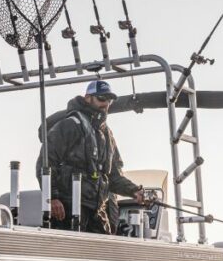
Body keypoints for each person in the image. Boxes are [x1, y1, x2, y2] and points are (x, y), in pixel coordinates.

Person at [38, 79, 152, 233]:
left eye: (109, 100)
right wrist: (51, 198)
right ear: (88, 98)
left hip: (98, 210)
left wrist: (134, 191)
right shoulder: (69, 125)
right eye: (101, 98)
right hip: (68, 209)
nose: (105, 104)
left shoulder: (108, 135)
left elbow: (113, 176)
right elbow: (45, 163)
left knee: (104, 250)